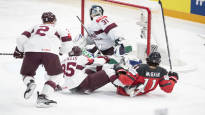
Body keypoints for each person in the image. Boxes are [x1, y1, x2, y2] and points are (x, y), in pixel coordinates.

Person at [13, 11, 72, 107]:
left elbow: (20, 38)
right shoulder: (59, 28)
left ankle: (30, 82)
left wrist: (20, 50)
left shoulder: (34, 27)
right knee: (56, 76)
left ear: (42, 20)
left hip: (31, 51)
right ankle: (43, 97)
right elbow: (68, 44)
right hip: (50, 52)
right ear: (54, 20)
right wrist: (61, 51)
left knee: (26, 74)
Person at [113, 52, 179, 97]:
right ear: (159, 61)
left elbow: (126, 81)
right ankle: (135, 88)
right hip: (143, 92)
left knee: (110, 71)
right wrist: (173, 79)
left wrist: (120, 70)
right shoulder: (163, 71)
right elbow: (168, 88)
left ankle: (129, 89)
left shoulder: (139, 67)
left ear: (148, 59)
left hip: (123, 91)